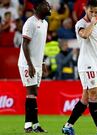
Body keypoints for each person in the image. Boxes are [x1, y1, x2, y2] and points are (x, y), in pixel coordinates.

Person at [62, 0, 97, 135]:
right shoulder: (81, 23)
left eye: (96, 12)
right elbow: (84, 35)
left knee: (85, 98)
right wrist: (93, 22)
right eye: (91, 11)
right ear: (86, 9)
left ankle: (68, 126)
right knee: (94, 95)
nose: (94, 14)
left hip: (94, 63)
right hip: (86, 64)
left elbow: (96, 44)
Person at [17, 0, 51, 133]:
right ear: (37, 7)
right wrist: (30, 65)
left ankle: (32, 125)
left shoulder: (45, 23)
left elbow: (39, 46)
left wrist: (42, 63)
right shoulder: (30, 23)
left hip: (37, 64)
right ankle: (30, 125)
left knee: (33, 95)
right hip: (27, 64)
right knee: (32, 92)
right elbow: (25, 44)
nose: (49, 7)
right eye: (45, 5)